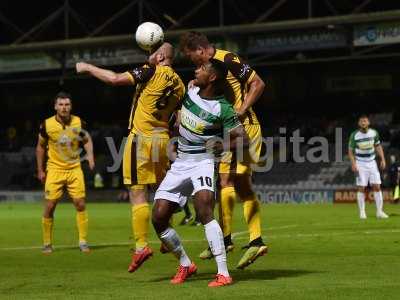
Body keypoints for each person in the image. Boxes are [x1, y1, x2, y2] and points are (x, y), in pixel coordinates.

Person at [76, 43, 185, 272]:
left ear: (162, 55)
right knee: (162, 189)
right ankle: (167, 236)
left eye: (153, 52)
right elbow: (179, 120)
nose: (150, 56)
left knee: (137, 192)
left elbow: (115, 79)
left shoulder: (150, 70)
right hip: (163, 140)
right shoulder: (180, 85)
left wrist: (87, 67)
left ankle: (141, 246)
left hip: (141, 139)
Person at [152, 59, 248, 287]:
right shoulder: (190, 89)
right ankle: (185, 264)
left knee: (204, 208)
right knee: (158, 216)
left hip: (203, 162)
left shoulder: (222, 108)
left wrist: (224, 145)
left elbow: (243, 138)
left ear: (212, 77)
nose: (197, 70)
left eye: (202, 68)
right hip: (180, 162)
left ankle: (223, 273)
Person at [179, 31, 267, 269]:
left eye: (192, 57)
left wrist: (242, 108)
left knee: (238, 182)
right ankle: (227, 238)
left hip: (245, 127)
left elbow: (258, 83)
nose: (193, 63)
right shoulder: (210, 69)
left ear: (200, 50)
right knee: (226, 182)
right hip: (229, 131)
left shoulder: (227, 59)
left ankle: (255, 240)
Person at [36, 92, 95, 254]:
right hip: (54, 169)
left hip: (74, 168)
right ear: (55, 106)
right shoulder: (46, 125)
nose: (64, 107)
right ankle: (47, 243)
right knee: (50, 206)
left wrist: (90, 157)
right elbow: (40, 147)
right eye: (61, 105)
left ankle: (83, 241)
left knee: (80, 204)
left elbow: (87, 140)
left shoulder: (78, 122)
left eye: (67, 104)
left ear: (71, 106)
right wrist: (40, 170)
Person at [348, 115, 389, 219]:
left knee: (377, 186)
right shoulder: (354, 135)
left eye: (365, 121)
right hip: (360, 163)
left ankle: (379, 211)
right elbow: (350, 151)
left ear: (368, 123)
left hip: (372, 163)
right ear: (358, 124)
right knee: (361, 187)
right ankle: (362, 212)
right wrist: (353, 163)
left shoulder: (374, 133)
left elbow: (378, 146)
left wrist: (383, 159)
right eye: (361, 121)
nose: (363, 123)